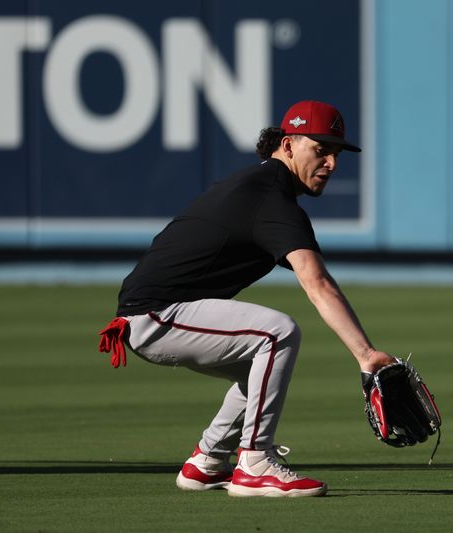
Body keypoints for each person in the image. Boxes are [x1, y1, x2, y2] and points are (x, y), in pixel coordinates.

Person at [98, 100, 396, 498]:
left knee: (257, 366)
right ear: (288, 145)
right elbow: (317, 283)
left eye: (337, 153)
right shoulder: (270, 198)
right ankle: (254, 462)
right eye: (320, 150)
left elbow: (317, 278)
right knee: (277, 333)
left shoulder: (264, 189)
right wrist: (365, 354)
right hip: (156, 314)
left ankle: (207, 461)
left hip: (157, 311)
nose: (332, 163)